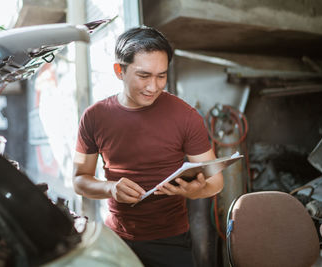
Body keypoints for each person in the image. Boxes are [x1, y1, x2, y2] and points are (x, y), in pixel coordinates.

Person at [73, 26, 224, 267]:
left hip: (171, 242)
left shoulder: (186, 116)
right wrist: (110, 188)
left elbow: (215, 182)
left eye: (161, 76)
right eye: (144, 76)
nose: (153, 87)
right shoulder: (94, 117)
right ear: (119, 71)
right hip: (116, 239)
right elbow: (80, 180)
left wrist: (194, 191)